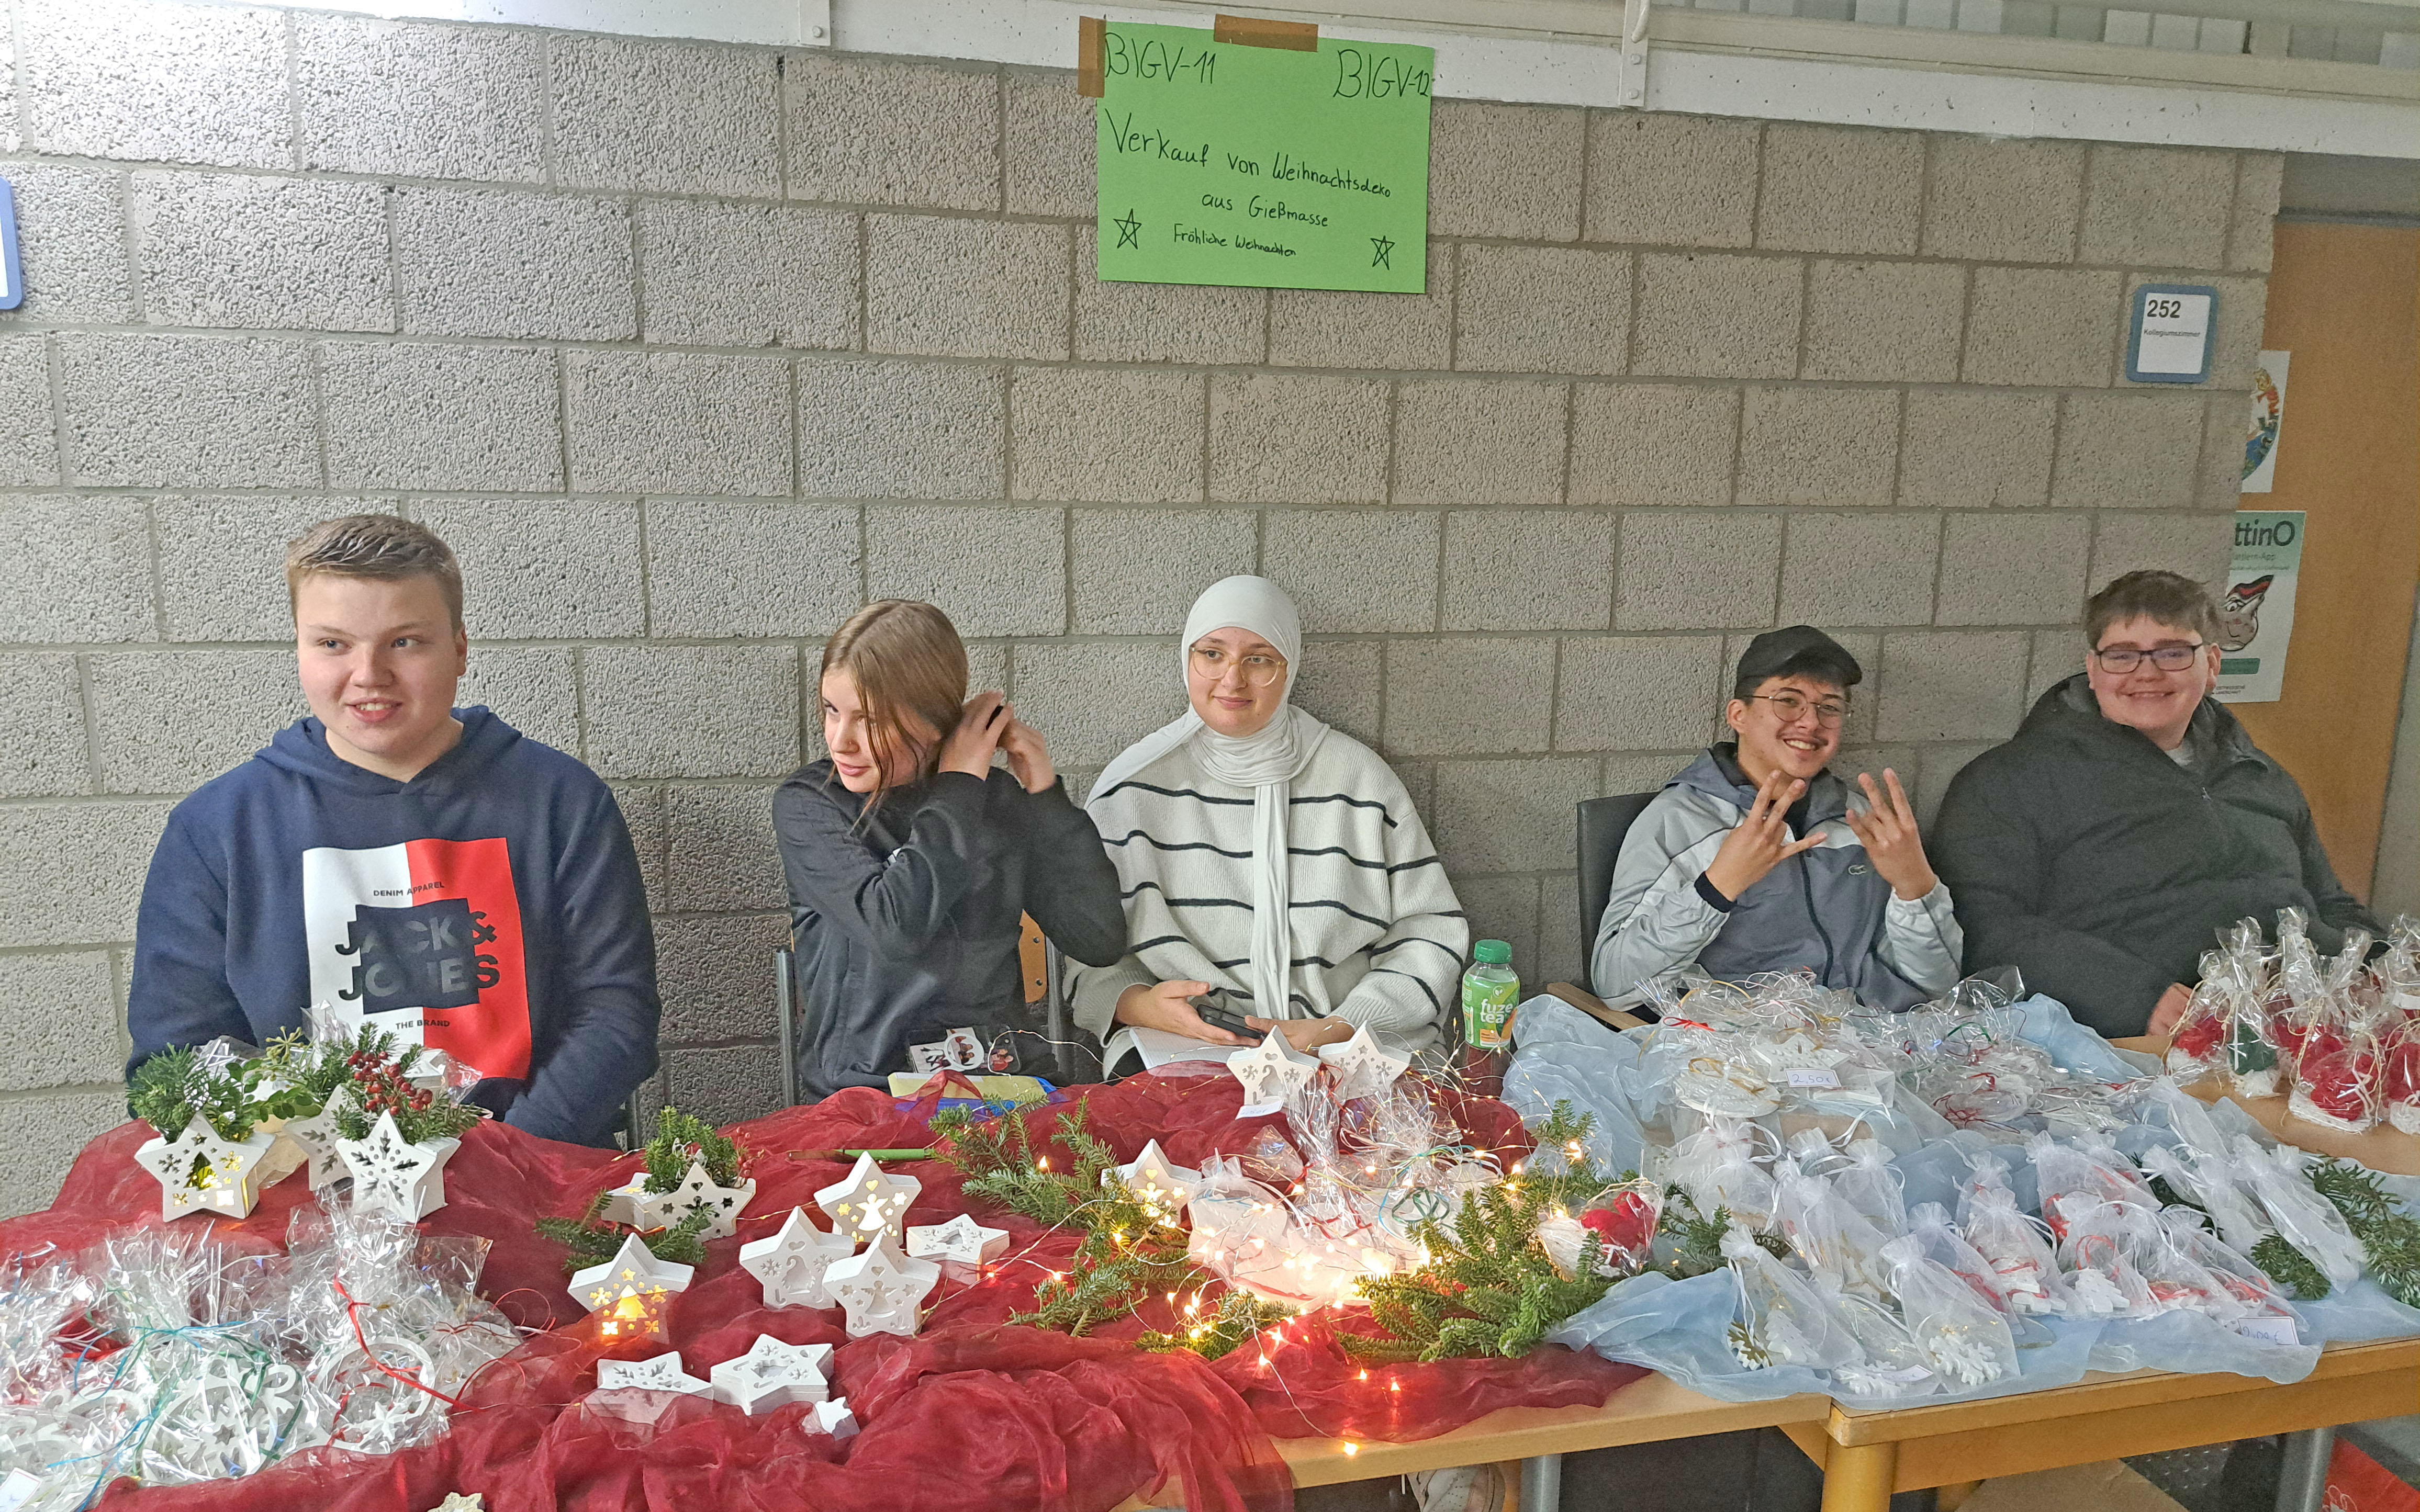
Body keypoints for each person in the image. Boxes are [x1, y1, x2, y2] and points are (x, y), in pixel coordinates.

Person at [129, 515, 659, 1147]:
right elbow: (177, 1056)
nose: (369, 674)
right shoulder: (216, 828)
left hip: (532, 1172)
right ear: (297, 647)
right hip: (302, 1195)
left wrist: (504, 1163)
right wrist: (318, 1172)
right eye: (332, 644)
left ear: (460, 647)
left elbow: (615, 1016)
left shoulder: (563, 800)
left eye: (405, 642)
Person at [1934, 569, 2382, 1038]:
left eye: (2172, 653)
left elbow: (2330, 902)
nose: (2146, 673)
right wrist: (2135, 996)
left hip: (2306, 1026)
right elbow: (1982, 926)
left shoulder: (2261, 776)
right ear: (2093, 669)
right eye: (2123, 656)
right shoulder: (2007, 782)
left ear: (2211, 664)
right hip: (2134, 1042)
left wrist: (2379, 970)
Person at [1071, 576, 1467, 1061]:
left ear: (1290, 666)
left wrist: (1341, 1025)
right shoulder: (1130, 791)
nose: (1232, 679)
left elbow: (1429, 930)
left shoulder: (1359, 781)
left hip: (1344, 1042)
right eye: (1212, 654)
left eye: (1258, 659)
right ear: (1186, 658)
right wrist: (1142, 1006)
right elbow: (1086, 946)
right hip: (1184, 1046)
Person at [772, 601, 1124, 1098]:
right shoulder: (811, 804)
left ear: (933, 723)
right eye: (832, 711)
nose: (840, 741)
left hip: (1005, 1088)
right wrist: (958, 784)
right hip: (869, 1094)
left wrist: (1045, 796)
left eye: (868, 719)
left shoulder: (995, 799)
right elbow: (893, 926)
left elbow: (1098, 938)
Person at [1590, 626, 1962, 1011]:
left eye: (1829, 707)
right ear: (1739, 715)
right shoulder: (1679, 822)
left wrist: (1915, 887)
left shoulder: (1863, 821)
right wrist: (1716, 887)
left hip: (1867, 1046)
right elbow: (1616, 987)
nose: (1810, 722)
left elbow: (1937, 984)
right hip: (1736, 1055)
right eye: (1788, 701)